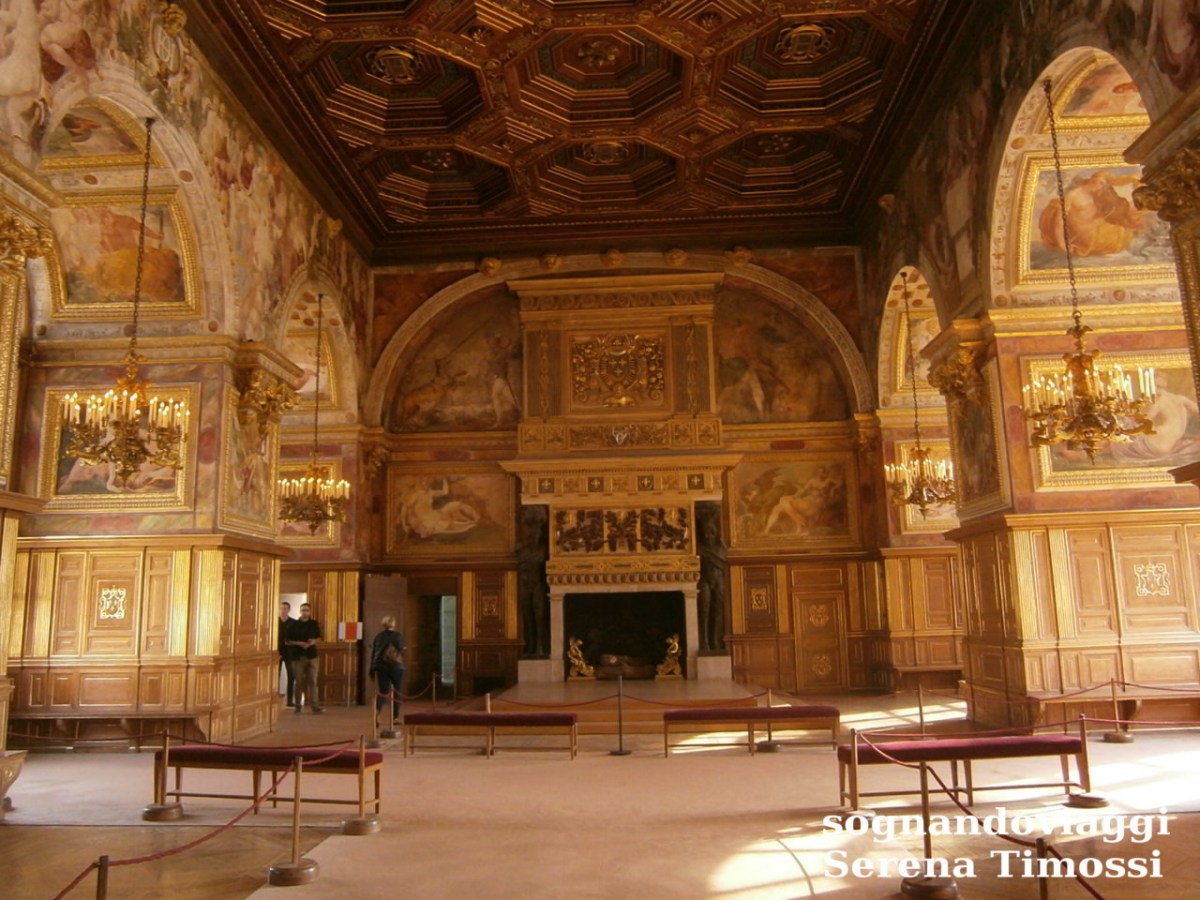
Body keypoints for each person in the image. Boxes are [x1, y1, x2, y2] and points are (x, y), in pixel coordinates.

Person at [285, 602, 324, 714]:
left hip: (312, 656)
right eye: (302, 610)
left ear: (310, 612)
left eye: (306, 610)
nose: (304, 612)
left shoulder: (314, 624)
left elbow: (319, 637)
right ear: (300, 611)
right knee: (299, 682)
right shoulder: (293, 624)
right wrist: (299, 643)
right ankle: (297, 706)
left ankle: (315, 706)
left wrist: (313, 642)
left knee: (313, 681)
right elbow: (287, 641)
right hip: (298, 657)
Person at [368, 616, 406, 728]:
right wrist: (403, 650)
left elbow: (374, 653)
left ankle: (377, 710)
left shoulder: (378, 636)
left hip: (381, 667)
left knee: (384, 691)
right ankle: (395, 717)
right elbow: (400, 651)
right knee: (397, 690)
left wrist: (372, 669)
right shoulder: (398, 636)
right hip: (395, 667)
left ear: (383, 624)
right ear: (393, 624)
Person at [277, 601, 296, 708]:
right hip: (277, 653)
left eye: (285, 608)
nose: (283, 610)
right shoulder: (275, 622)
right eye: (282, 608)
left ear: (289, 610)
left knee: (291, 675)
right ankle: (274, 698)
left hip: (290, 653)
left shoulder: (293, 623)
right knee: (275, 675)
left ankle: (290, 700)